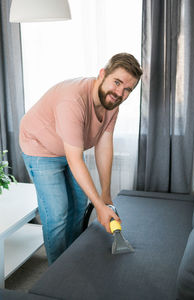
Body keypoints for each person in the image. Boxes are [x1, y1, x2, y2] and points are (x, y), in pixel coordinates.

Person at [19, 53, 142, 264]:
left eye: (127, 89)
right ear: (102, 74)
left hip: (68, 147)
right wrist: (101, 209)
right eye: (117, 82)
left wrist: (105, 196)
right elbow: (76, 159)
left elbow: (104, 145)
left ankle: (72, 260)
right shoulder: (73, 100)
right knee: (58, 212)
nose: (120, 93)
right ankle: (57, 274)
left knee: (79, 203)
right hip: (40, 147)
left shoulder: (112, 103)